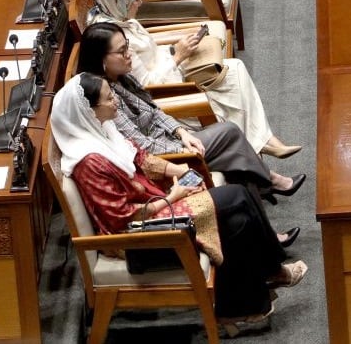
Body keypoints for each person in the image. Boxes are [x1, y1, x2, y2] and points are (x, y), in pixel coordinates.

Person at [50, 72, 308, 328]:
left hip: (152, 206)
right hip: (136, 236)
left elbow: (141, 159)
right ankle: (271, 273)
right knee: (236, 197)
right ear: (89, 111)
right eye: (108, 99)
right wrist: (172, 197)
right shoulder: (89, 163)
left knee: (237, 216)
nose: (115, 101)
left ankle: (241, 302)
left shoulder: (104, 130)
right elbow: (122, 218)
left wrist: (180, 170)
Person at [87, 0, 302, 158]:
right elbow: (145, 86)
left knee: (235, 68)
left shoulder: (123, 18)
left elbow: (151, 52)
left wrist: (178, 48)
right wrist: (178, 56)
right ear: (118, 1)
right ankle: (260, 147)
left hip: (174, 69)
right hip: (170, 91)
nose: (140, 2)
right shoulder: (115, 42)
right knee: (233, 79)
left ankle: (264, 142)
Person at [77, 20, 307, 198]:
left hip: (172, 139)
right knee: (230, 134)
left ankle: (267, 196)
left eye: (128, 47)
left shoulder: (121, 78)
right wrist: (180, 147)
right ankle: (270, 182)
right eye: (122, 51)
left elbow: (155, 110)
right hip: (162, 159)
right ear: (102, 60)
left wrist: (182, 132)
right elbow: (142, 148)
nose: (129, 55)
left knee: (232, 145)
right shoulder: (104, 99)